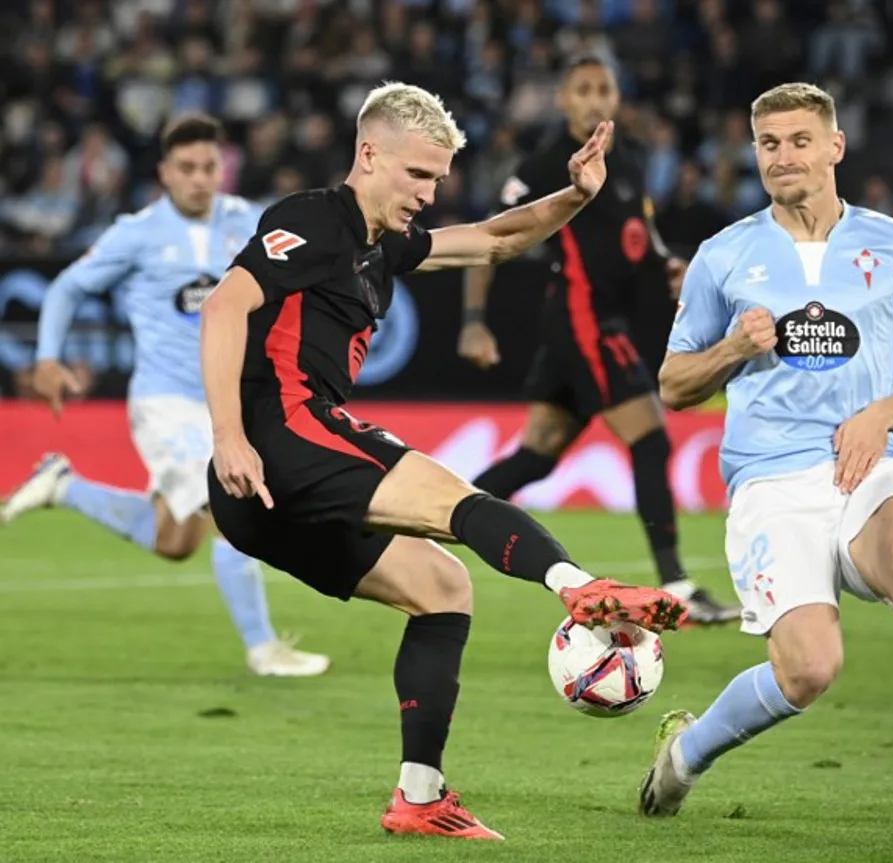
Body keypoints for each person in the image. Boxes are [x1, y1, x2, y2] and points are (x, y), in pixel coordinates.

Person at [201, 81, 686, 841]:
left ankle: (419, 797)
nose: (428, 195)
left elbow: (494, 238)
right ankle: (580, 586)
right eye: (417, 175)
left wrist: (576, 195)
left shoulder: (381, 245)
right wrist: (229, 434)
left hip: (266, 498)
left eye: (437, 179)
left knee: (442, 585)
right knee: (452, 497)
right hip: (280, 439)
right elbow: (226, 303)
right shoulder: (312, 218)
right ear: (369, 154)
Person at [636, 82, 893, 839]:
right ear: (755, 155)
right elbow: (674, 385)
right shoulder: (726, 254)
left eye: (800, 140)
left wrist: (881, 414)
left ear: (835, 147)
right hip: (771, 478)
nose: (785, 156)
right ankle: (686, 753)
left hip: (871, 466)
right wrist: (734, 348)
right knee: (810, 669)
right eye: (770, 143)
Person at [2, 113, 329, 678]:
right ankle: (263, 648)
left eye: (208, 167)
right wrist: (48, 358)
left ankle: (65, 486)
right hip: (165, 403)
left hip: (227, 401)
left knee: (175, 538)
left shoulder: (248, 221)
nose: (199, 178)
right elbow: (67, 287)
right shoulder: (137, 231)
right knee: (237, 504)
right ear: (164, 173)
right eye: (187, 168)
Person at [457, 56, 740, 625]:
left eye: (603, 89)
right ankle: (678, 586)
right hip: (582, 319)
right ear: (562, 100)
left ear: (616, 99)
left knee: (537, 457)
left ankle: (432, 518)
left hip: (592, 322)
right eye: (581, 90)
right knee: (651, 440)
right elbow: (488, 237)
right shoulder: (543, 165)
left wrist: (665, 264)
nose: (593, 100)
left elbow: (642, 233)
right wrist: (472, 318)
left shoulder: (628, 161)